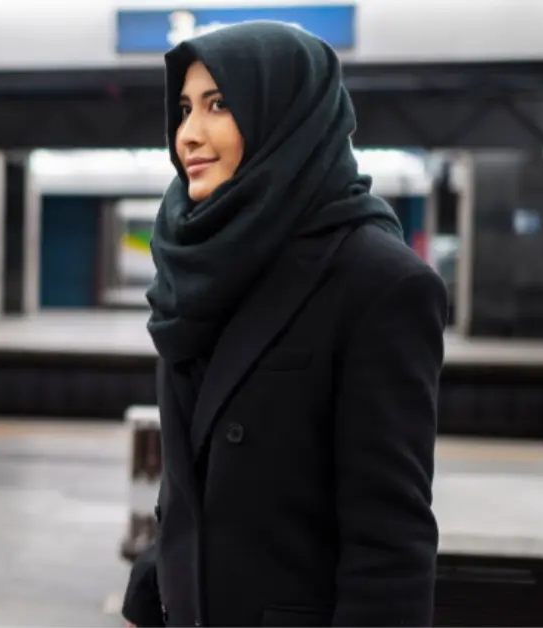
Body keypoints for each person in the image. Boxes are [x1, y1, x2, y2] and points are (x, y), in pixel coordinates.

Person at [121, 21, 447, 628]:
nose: (188, 134)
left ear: (288, 115)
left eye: (219, 105)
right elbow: (192, 474)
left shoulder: (379, 283)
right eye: (185, 108)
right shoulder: (198, 262)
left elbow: (390, 542)